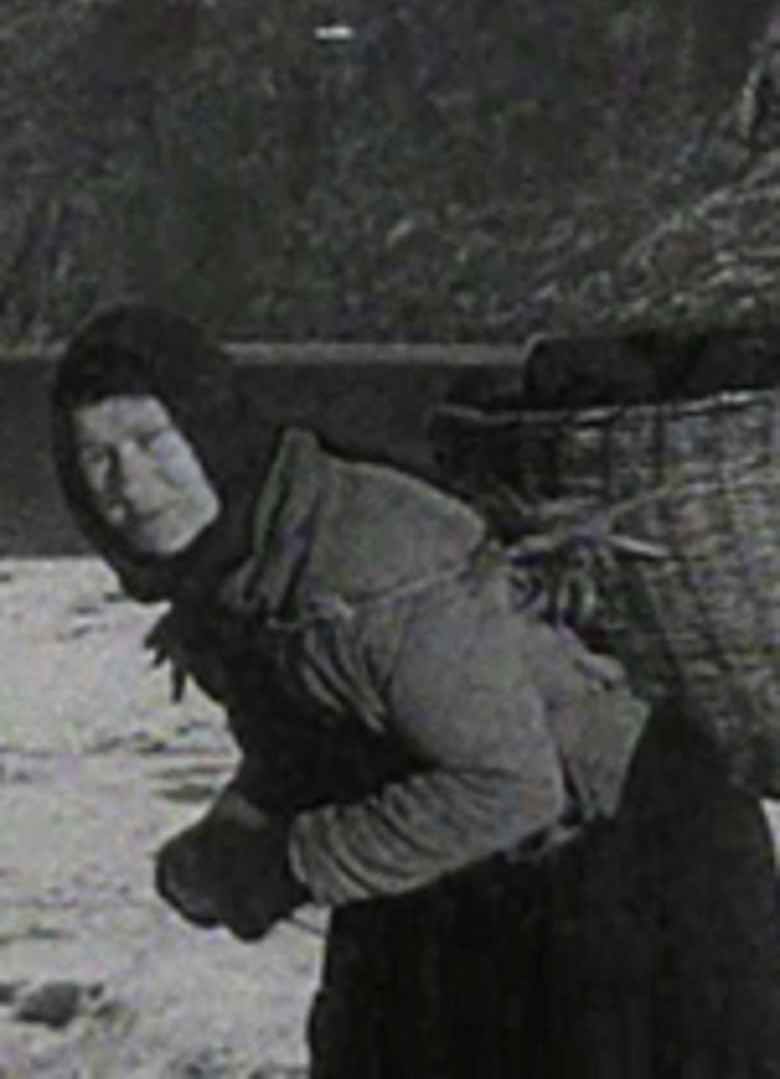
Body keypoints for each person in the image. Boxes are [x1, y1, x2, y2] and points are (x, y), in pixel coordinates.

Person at [50, 303, 779, 1077]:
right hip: (473, 868)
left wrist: (289, 863)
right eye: (98, 459)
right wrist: (236, 829)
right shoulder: (236, 565)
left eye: (153, 443)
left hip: (633, 859)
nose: (131, 484)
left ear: (209, 433)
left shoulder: (366, 562)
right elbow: (310, 735)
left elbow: (509, 786)